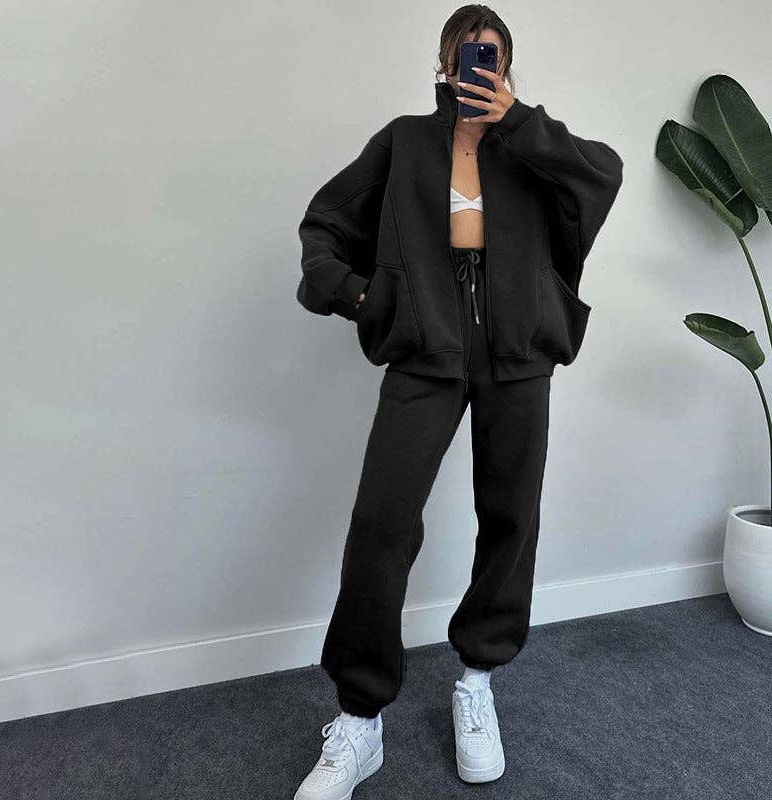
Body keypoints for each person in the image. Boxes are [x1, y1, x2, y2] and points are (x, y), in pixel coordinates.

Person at [292, 5, 623, 798]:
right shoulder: (404, 142)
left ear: (506, 66)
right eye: (466, 53)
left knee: (511, 517)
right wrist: (363, 295)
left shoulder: (532, 146)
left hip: (518, 354)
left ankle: (477, 680)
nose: (478, 66)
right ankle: (361, 719)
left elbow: (603, 175)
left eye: (492, 55)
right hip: (426, 352)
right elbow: (323, 226)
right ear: (443, 63)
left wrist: (520, 122)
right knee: (382, 522)